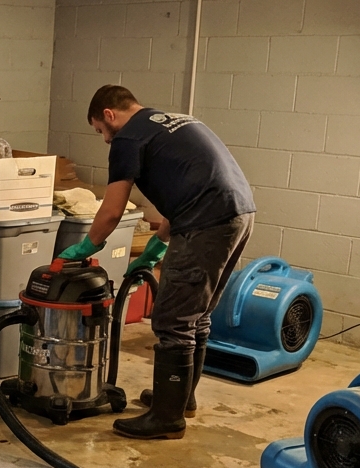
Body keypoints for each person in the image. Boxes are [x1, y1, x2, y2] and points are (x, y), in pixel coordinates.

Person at [58, 85, 256, 440]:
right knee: (196, 315)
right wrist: (158, 244)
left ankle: (167, 417)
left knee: (172, 320)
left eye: (99, 130)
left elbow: (112, 210)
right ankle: (181, 400)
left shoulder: (128, 138)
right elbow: (186, 188)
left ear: (109, 115)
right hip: (238, 214)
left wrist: (85, 246)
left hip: (207, 222)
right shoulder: (170, 121)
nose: (104, 140)